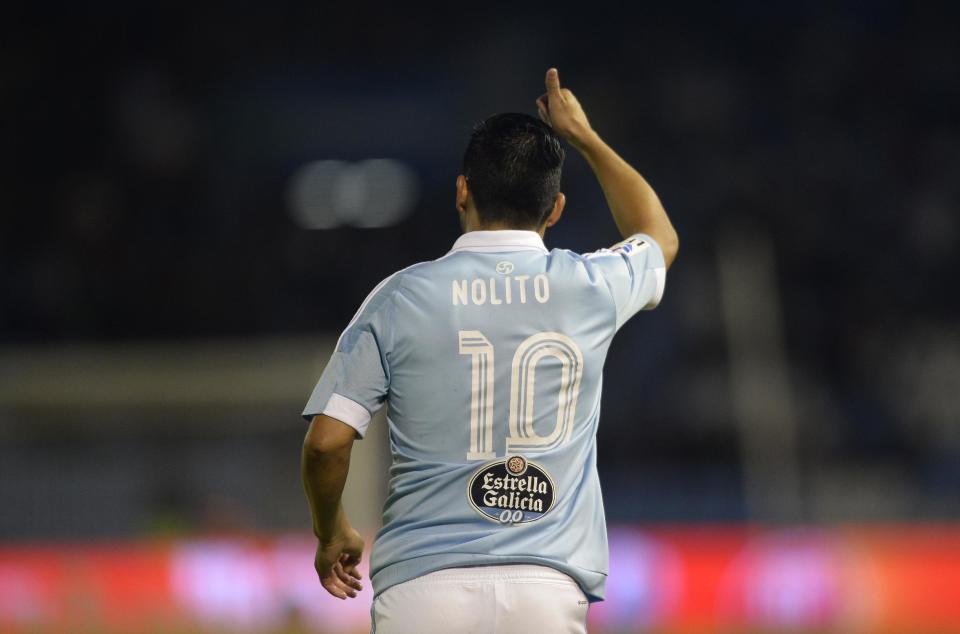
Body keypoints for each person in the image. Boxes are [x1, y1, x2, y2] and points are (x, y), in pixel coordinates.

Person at [301, 68, 679, 633]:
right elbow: (658, 234)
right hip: (545, 589)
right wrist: (585, 138)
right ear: (555, 210)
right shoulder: (591, 286)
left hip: (422, 591)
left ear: (462, 191)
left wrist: (331, 531)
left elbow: (327, 443)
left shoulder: (400, 297)